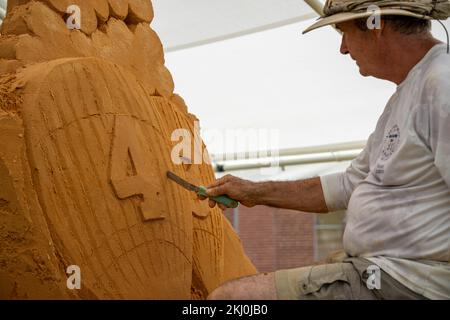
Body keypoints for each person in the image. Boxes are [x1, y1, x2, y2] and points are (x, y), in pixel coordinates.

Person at [201, 0, 450, 300]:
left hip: (410, 280)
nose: (343, 49)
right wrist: (253, 191)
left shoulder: (442, 84)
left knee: (231, 299)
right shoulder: (406, 94)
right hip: (382, 271)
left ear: (376, 25)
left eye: (343, 32)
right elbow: (346, 185)